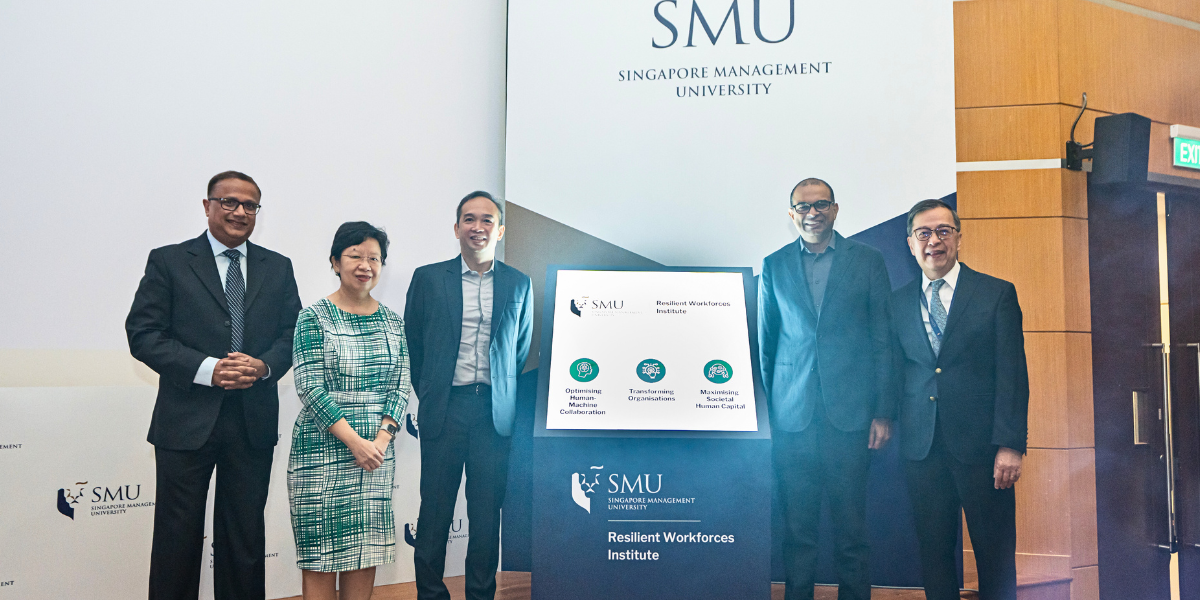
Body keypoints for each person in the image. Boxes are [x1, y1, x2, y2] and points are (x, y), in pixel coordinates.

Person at [126, 171, 302, 600]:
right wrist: (207, 368)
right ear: (208, 206)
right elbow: (143, 334)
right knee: (176, 538)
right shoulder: (168, 260)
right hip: (185, 421)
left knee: (243, 538)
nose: (240, 212)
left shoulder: (277, 267)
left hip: (252, 421)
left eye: (250, 205)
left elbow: (293, 335)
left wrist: (262, 367)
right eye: (229, 202)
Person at [758, 178, 894, 600]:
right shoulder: (774, 264)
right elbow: (767, 344)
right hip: (792, 419)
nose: (812, 212)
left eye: (821, 205)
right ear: (791, 213)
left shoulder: (868, 260)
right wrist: (769, 417)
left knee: (851, 530)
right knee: (799, 532)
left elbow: (882, 339)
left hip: (850, 418)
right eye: (803, 206)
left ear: (835, 210)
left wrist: (883, 412)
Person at [890, 199, 1028, 600]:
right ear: (911, 243)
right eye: (924, 233)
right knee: (934, 555)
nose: (934, 241)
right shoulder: (896, 303)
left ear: (959, 238)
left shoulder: (996, 293)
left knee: (995, 555)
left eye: (943, 231)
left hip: (984, 450)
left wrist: (1010, 445)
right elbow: (894, 372)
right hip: (922, 447)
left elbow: (1013, 375)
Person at [405, 191, 534, 600]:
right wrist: (430, 392)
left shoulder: (518, 282)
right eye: (469, 219)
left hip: (493, 414)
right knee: (435, 512)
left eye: (486, 220)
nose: (477, 227)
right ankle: (431, 594)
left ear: (499, 230)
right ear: (456, 227)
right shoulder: (428, 278)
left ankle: (480, 594)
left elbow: (520, 349)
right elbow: (415, 345)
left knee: (485, 515)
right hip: (446, 409)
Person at [288, 221, 412, 600]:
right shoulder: (314, 316)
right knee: (320, 557)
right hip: (322, 449)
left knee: (365, 552)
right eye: (355, 256)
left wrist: (381, 439)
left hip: (375, 452)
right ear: (335, 262)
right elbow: (309, 386)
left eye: (374, 258)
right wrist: (356, 442)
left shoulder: (392, 320)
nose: (365, 265)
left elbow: (400, 383)